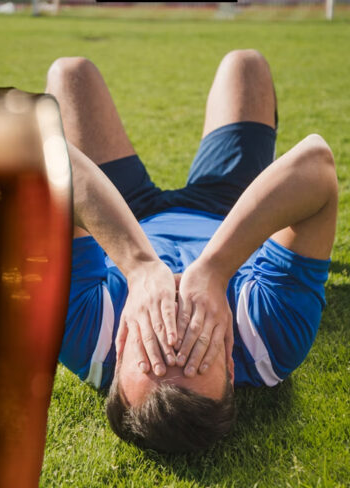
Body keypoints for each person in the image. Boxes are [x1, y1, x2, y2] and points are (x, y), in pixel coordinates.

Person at [47, 50, 337, 453]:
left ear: (118, 353)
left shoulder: (87, 336)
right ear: (232, 367)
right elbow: (317, 164)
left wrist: (140, 266)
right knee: (246, 65)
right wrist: (215, 271)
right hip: (228, 213)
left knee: (70, 73)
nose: (175, 328)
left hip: (123, 218)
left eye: (152, 350)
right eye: (198, 350)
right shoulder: (267, 338)